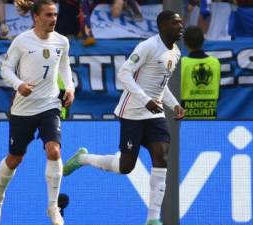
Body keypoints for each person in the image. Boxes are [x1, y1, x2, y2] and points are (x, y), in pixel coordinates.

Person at [63, 10, 185, 225]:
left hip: (154, 113)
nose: (181, 26)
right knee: (125, 167)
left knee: (161, 156)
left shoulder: (175, 52)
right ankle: (83, 158)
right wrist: (145, 99)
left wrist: (174, 104)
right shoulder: (148, 46)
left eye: (181, 23)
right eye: (176, 23)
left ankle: (153, 219)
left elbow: (161, 86)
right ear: (163, 25)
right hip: (133, 112)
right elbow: (124, 74)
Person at [0, 0, 75, 224]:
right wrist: (19, 85)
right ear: (36, 17)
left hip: (49, 105)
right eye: (48, 15)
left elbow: (64, 66)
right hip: (23, 109)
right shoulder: (22, 41)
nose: (53, 19)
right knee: (15, 158)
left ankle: (52, 207)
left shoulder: (62, 41)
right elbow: (5, 68)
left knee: (54, 151)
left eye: (54, 14)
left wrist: (70, 87)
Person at [181, 25, 220, 119]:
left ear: (185, 43)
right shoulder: (215, 62)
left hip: (186, 116)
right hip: (209, 115)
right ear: (203, 41)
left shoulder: (182, 63)